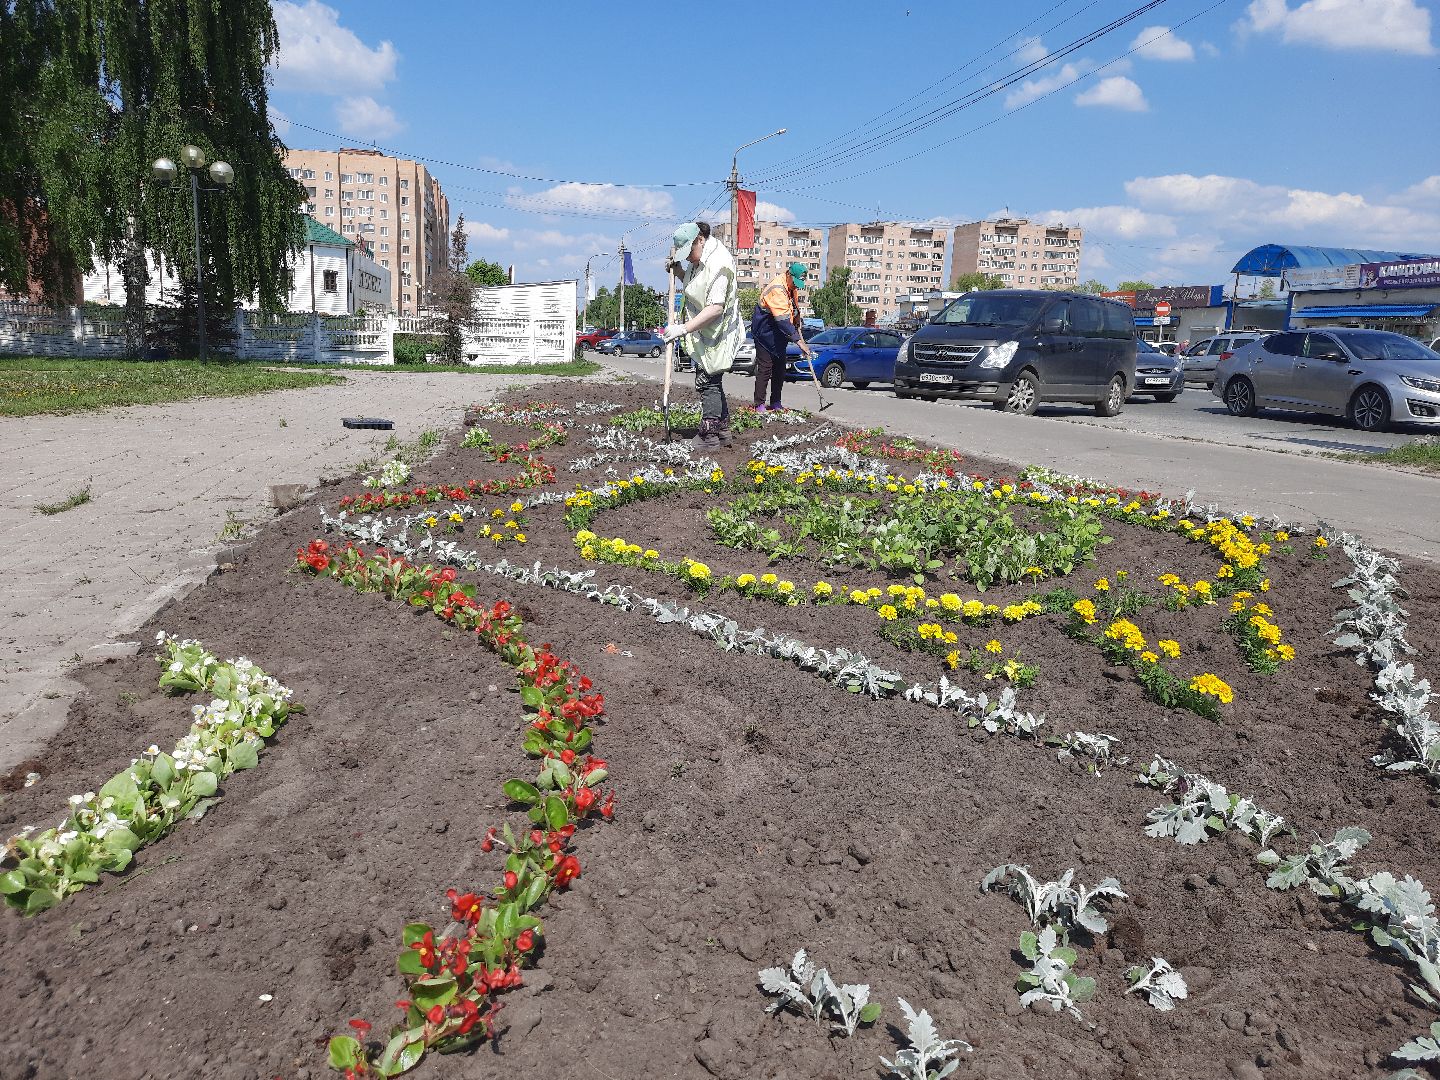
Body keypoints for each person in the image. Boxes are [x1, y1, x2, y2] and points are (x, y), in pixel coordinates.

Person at [662, 222, 742, 449]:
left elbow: (715, 308)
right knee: (712, 380)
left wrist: (683, 328)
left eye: (688, 253)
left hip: (719, 333)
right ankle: (722, 432)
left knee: (708, 382)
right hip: (706, 332)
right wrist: (678, 270)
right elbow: (695, 286)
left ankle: (709, 436)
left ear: (699, 240)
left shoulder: (718, 263)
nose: (688, 258)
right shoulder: (699, 259)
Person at [750, 261, 813, 411]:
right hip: (764, 331)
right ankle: (759, 404)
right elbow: (783, 320)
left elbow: (792, 307)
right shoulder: (777, 288)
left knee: (780, 369)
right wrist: (799, 342)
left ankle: (776, 402)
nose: (797, 286)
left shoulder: (791, 287)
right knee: (765, 368)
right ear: (789, 275)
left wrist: (797, 320)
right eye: (795, 282)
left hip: (778, 334)